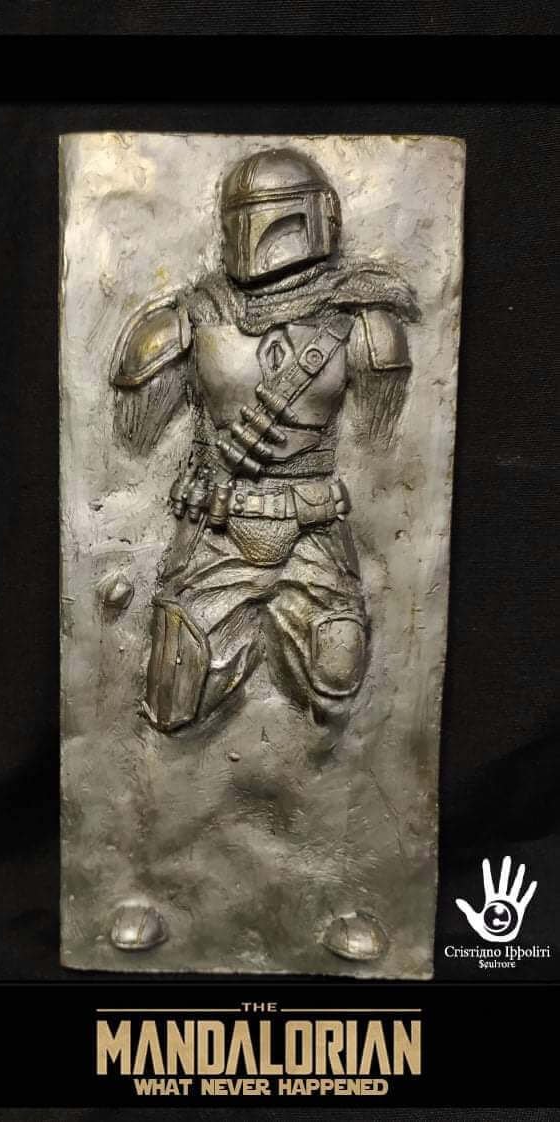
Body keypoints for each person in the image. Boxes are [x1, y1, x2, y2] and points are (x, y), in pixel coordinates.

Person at [109, 147, 419, 957]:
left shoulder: (364, 324)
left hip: (314, 536)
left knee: (338, 689)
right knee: (171, 696)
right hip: (214, 534)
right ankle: (147, 881)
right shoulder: (184, 320)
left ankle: (342, 891)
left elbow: (388, 458)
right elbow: (130, 446)